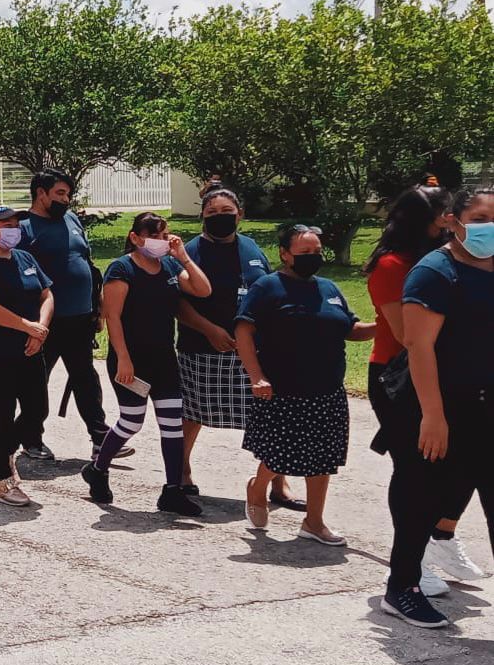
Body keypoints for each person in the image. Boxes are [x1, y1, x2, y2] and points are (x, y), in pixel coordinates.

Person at [380, 186, 494, 628]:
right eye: (481, 218)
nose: (489, 228)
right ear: (452, 220)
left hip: (487, 404)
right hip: (439, 404)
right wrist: (433, 415)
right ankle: (402, 588)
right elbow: (418, 345)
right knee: (422, 497)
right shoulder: (434, 271)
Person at [235, 224, 373, 544]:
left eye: (317, 251)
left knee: (323, 458)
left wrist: (384, 326)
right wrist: (256, 375)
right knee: (280, 453)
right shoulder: (268, 287)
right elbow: (243, 330)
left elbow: (351, 329)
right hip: (282, 389)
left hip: (327, 389)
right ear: (285, 254)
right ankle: (258, 486)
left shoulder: (329, 288)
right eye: (305, 252)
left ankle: (314, 522)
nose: (313, 256)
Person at [82, 211, 212, 515]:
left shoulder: (169, 265)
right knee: (132, 421)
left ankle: (172, 490)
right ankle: (98, 469)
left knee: (172, 425)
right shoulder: (122, 268)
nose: (161, 241)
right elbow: (112, 316)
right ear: (135, 237)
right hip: (131, 359)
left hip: (163, 358)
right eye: (154, 236)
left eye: (165, 235)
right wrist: (123, 360)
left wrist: (183, 257)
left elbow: (203, 289)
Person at [175, 188, 298, 506]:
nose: (220, 217)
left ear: (240, 214)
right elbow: (178, 304)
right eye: (212, 213)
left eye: (227, 211)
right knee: (192, 413)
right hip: (203, 348)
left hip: (253, 349)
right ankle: (181, 471)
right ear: (202, 216)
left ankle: (278, 482)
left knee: (271, 413)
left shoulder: (252, 247)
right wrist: (210, 330)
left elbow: (268, 288)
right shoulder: (191, 252)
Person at [0, 206, 54, 505]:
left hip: (30, 348)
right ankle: (2, 483)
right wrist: (26, 326)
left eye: (17, 224)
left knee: (36, 411)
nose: (15, 229)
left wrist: (39, 329)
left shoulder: (25, 258)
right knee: (1, 414)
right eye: (7, 225)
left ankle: (0, 451)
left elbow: (46, 294)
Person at [19, 172, 108, 459]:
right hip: (44, 322)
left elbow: (88, 264)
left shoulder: (71, 220)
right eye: (59, 193)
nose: (65, 199)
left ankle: (101, 437)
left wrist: (99, 309)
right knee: (36, 381)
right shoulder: (23, 228)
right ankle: (30, 437)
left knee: (86, 378)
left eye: (68, 194)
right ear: (40, 193)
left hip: (81, 317)